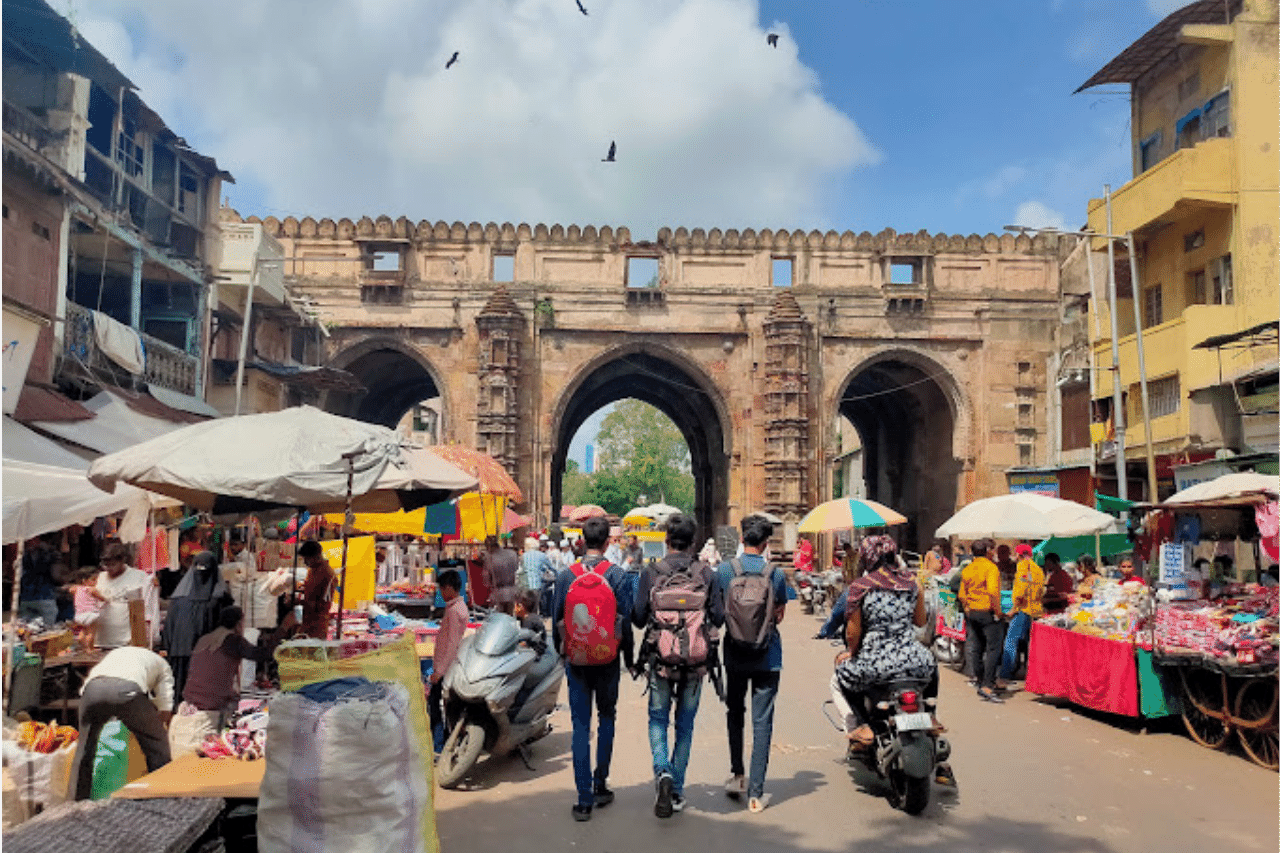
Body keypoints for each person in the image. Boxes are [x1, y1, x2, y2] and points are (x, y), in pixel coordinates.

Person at [832, 535, 951, 783]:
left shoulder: (861, 586)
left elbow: (853, 634)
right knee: (931, 664)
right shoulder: (912, 583)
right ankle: (930, 712)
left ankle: (861, 725)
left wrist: (850, 654)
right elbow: (920, 621)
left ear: (867, 558)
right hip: (913, 658)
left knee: (838, 678)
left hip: (876, 664)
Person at [632, 513, 723, 819]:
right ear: (694, 541)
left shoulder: (652, 572)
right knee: (685, 725)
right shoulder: (706, 573)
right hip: (696, 662)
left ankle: (662, 772)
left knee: (658, 718)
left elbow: (638, 617)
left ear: (667, 540)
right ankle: (678, 788)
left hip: (660, 659)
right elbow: (719, 617)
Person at [551, 516, 629, 822]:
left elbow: (556, 617)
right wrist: (630, 657)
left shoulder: (565, 576)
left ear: (581, 541)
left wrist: (563, 652)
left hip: (577, 658)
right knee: (607, 716)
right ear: (608, 542)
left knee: (581, 726)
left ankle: (583, 800)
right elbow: (627, 618)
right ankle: (600, 784)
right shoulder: (618, 575)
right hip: (608, 659)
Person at [717, 515, 786, 813]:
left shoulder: (724, 570)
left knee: (735, 711)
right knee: (762, 722)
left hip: (734, 653)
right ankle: (756, 795)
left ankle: (738, 775)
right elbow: (779, 612)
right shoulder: (776, 573)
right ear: (766, 543)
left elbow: (719, 612)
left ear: (742, 538)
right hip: (767, 655)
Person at [70, 645, 174, 800]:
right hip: (126, 691)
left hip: (91, 691)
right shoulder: (163, 665)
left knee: (84, 751)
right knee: (157, 745)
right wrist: (156, 728)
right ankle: (163, 797)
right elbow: (165, 707)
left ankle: (75, 802)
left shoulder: (118, 653)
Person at [179, 605, 294, 724]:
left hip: (190, 698)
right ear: (239, 624)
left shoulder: (204, 639)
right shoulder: (233, 640)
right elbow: (263, 654)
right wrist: (284, 627)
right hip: (212, 704)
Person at [162, 551, 233, 702]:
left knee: (182, 694)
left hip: (181, 651)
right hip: (204, 655)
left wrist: (170, 648)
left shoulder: (179, 597)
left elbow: (169, 628)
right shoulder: (219, 596)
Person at [958, 538, 1004, 702]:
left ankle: (980, 680)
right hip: (988, 611)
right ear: (987, 551)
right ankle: (987, 685)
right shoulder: (991, 568)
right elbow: (992, 592)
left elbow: (962, 594)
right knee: (993, 649)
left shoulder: (968, 569)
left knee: (976, 648)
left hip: (973, 612)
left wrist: (968, 609)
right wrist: (998, 612)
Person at [428, 569, 468, 753]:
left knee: (438, 708)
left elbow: (452, 643)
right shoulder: (457, 607)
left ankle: (439, 746)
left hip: (446, 668)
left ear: (450, 588)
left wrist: (439, 671)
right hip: (449, 666)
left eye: (442, 589)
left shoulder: (454, 611)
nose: (441, 593)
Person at [998, 544, 1045, 688]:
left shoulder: (1023, 567)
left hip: (1023, 610)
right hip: (1036, 610)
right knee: (1030, 644)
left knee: (1010, 642)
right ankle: (1034, 677)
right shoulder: (1037, 569)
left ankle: (1004, 676)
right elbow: (1040, 590)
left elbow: (1021, 588)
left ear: (1018, 555)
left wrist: (1014, 608)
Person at [95, 543, 153, 649]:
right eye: (106, 565)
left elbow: (147, 606)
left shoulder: (139, 576)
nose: (109, 568)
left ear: (122, 561)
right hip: (102, 639)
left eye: (112, 565)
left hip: (126, 640)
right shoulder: (101, 577)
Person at [17, 533, 67, 626]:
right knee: (47, 632)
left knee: (28, 632)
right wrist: (63, 581)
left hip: (26, 598)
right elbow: (55, 575)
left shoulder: (23, 553)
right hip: (45, 597)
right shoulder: (51, 552)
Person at [297, 540, 336, 638]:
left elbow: (321, 605)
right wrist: (302, 587)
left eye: (307, 558)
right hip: (307, 620)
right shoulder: (312, 569)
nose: (305, 562)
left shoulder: (327, 574)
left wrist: (299, 602)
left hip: (317, 624)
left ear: (316, 556)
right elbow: (309, 587)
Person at [71, 568, 106, 650]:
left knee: (83, 630)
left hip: (79, 615)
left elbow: (70, 589)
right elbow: (101, 598)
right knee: (91, 633)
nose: (96, 582)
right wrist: (107, 599)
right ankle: (90, 649)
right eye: (93, 580)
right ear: (84, 580)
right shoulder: (92, 589)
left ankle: (81, 641)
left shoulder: (77, 589)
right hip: (90, 614)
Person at [520, 536, 553, 614]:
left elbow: (521, 570)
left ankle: (527, 623)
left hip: (525, 585)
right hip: (536, 585)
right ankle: (534, 621)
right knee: (535, 607)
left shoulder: (523, 556)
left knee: (526, 609)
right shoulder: (542, 555)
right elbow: (551, 568)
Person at [485, 542, 519, 615]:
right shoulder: (512, 554)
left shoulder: (490, 558)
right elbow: (517, 570)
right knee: (510, 618)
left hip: (498, 593)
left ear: (489, 547)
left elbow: (486, 580)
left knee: (499, 619)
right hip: (512, 591)